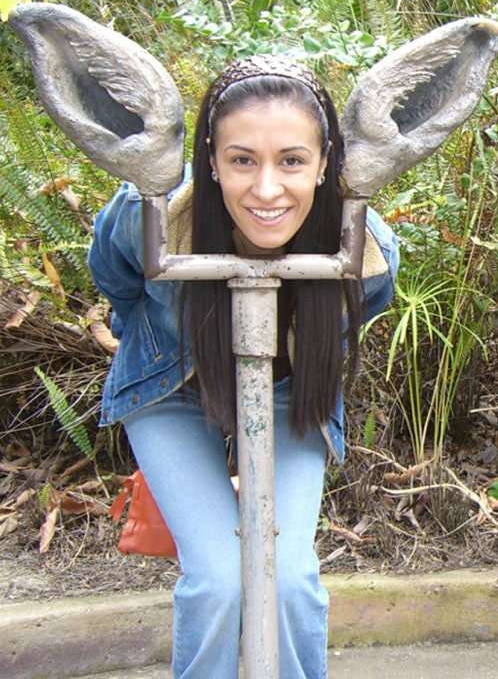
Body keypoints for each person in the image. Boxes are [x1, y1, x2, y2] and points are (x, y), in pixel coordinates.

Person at [87, 55, 399, 679]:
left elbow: (359, 310)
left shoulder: (364, 253)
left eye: (291, 160)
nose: (265, 189)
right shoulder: (148, 215)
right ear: (210, 160)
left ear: (325, 163)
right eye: (241, 160)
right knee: (220, 580)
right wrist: (150, 337)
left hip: (288, 394)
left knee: (286, 578)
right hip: (174, 387)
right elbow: (116, 280)